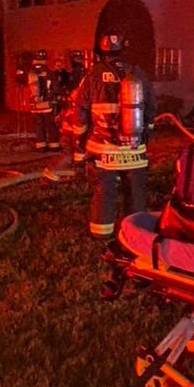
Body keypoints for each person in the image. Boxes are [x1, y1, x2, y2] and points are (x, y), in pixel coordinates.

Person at [73, 33, 155, 239]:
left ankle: (101, 233)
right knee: (136, 192)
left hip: (104, 148)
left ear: (101, 53)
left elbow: (80, 110)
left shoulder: (92, 75)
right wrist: (146, 133)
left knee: (105, 190)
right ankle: (138, 233)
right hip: (134, 148)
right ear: (123, 50)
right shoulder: (137, 73)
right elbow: (151, 107)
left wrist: (79, 140)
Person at [24, 50, 60, 152]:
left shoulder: (30, 72)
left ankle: (41, 146)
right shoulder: (50, 72)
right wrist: (57, 97)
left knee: (39, 125)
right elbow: (56, 88)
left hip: (35, 104)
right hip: (47, 104)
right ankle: (54, 145)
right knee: (50, 124)